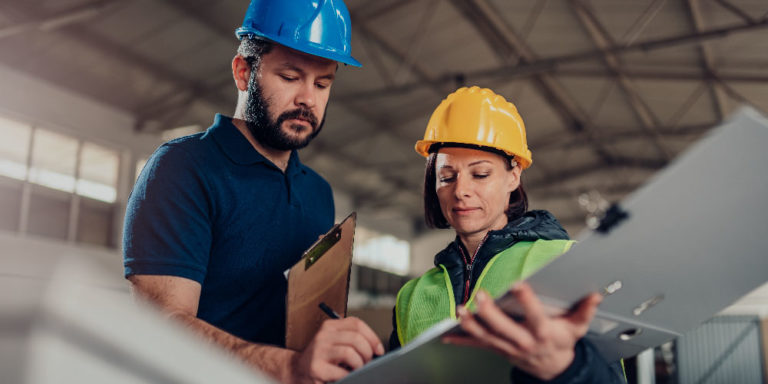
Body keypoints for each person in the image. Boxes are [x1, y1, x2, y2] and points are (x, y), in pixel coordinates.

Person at [122, 1, 383, 383]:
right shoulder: (183, 168)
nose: (308, 99)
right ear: (243, 72)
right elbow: (160, 326)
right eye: (291, 76)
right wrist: (290, 368)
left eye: (323, 83)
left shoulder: (318, 193)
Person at [390, 86, 626, 383]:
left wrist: (568, 369)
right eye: (447, 177)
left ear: (513, 176)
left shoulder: (563, 261)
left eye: (480, 174)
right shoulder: (412, 297)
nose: (460, 191)